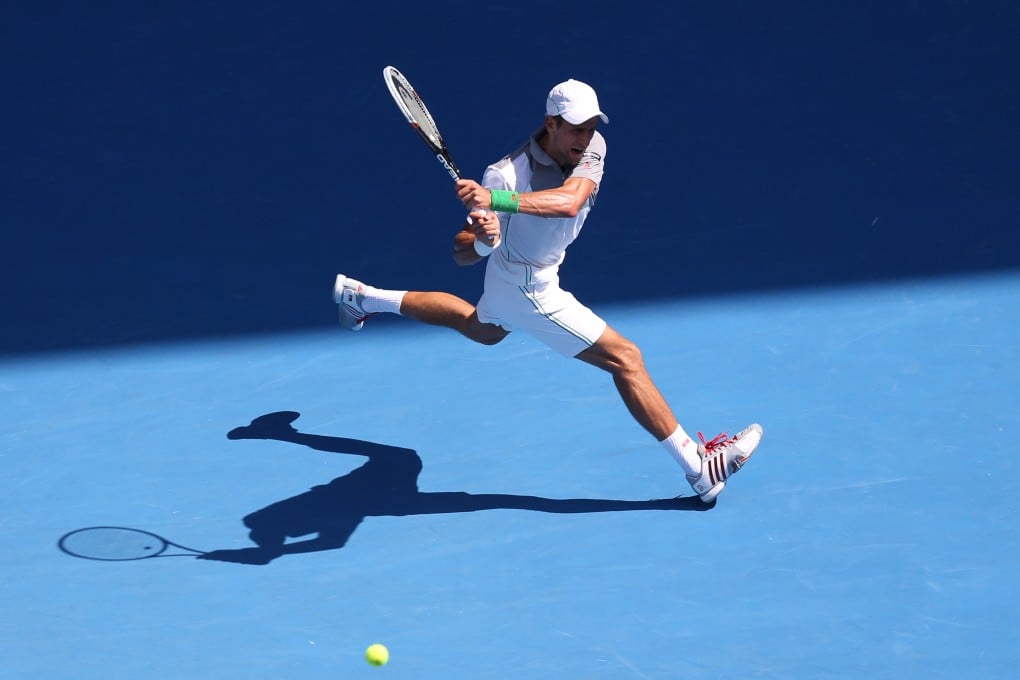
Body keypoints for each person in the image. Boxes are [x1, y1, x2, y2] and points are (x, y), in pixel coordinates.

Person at [333, 78, 762, 503]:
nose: (586, 137)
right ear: (550, 123)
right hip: (525, 284)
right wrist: (483, 238)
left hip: (527, 276)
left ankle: (362, 297)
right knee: (626, 358)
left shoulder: (591, 147)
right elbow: (462, 253)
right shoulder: (503, 174)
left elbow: (571, 201)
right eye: (575, 127)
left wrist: (497, 204)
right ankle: (699, 469)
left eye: (591, 125)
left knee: (481, 327)